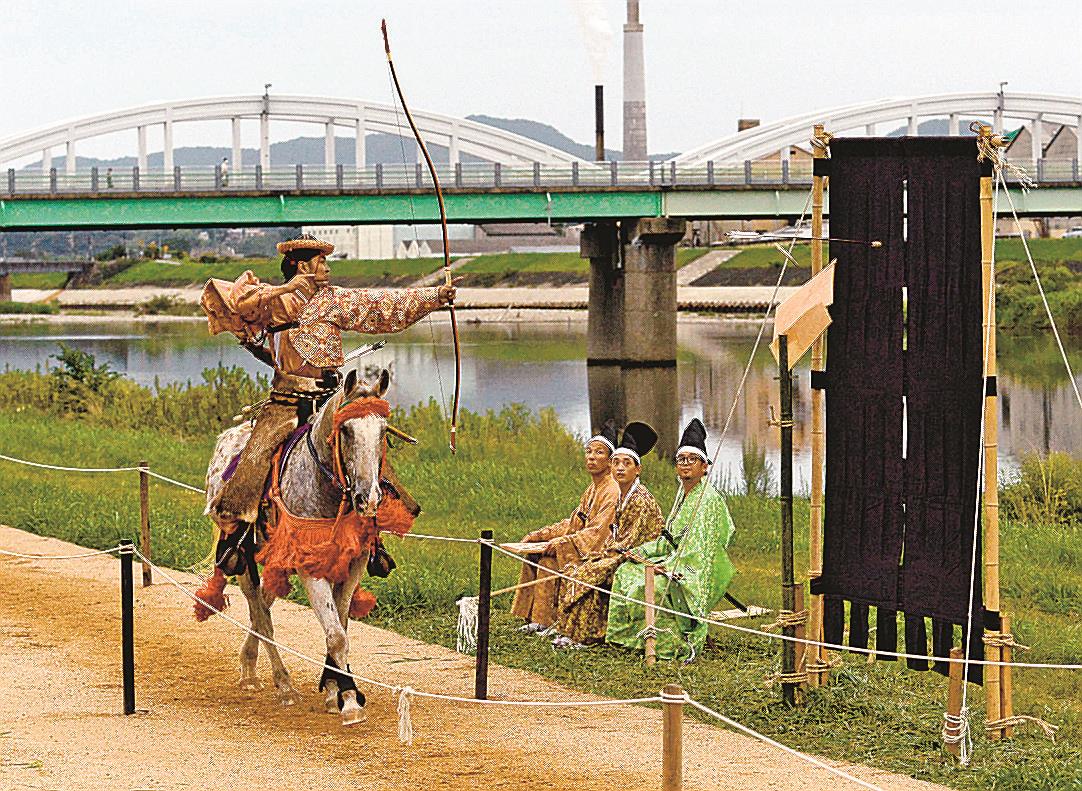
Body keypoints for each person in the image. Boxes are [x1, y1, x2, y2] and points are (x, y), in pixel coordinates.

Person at [199, 232, 455, 529]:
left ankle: (376, 533)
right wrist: (287, 287)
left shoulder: (333, 298)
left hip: (330, 398)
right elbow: (235, 301)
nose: (327, 268)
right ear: (300, 265)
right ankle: (236, 533)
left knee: (369, 450)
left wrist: (435, 297)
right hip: (288, 401)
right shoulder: (273, 300)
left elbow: (381, 306)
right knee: (256, 455)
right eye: (321, 262)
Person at [607, 418, 736, 661]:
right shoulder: (683, 493)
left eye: (692, 460)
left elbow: (699, 551)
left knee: (651, 586)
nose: (685, 465)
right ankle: (631, 639)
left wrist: (666, 568)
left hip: (692, 572)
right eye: (681, 460)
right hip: (674, 558)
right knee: (626, 571)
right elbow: (668, 540)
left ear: (705, 466)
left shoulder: (707, 500)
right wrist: (641, 553)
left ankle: (670, 644)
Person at [553, 422, 664, 648]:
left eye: (627, 464)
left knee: (589, 573)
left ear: (637, 469)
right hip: (622, 551)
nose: (620, 468)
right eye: (616, 463)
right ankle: (569, 630)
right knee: (578, 568)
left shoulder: (640, 499)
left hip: (641, 556)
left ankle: (588, 636)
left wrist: (605, 557)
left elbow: (631, 540)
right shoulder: (622, 495)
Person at [510, 420, 621, 632]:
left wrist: (563, 543)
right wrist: (540, 535)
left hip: (600, 553)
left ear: (609, 461)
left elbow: (597, 533)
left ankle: (546, 621)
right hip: (583, 545)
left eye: (599, 452)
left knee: (548, 563)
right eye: (588, 451)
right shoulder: (592, 489)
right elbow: (574, 523)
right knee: (534, 556)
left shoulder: (612, 490)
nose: (591, 457)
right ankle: (534, 617)